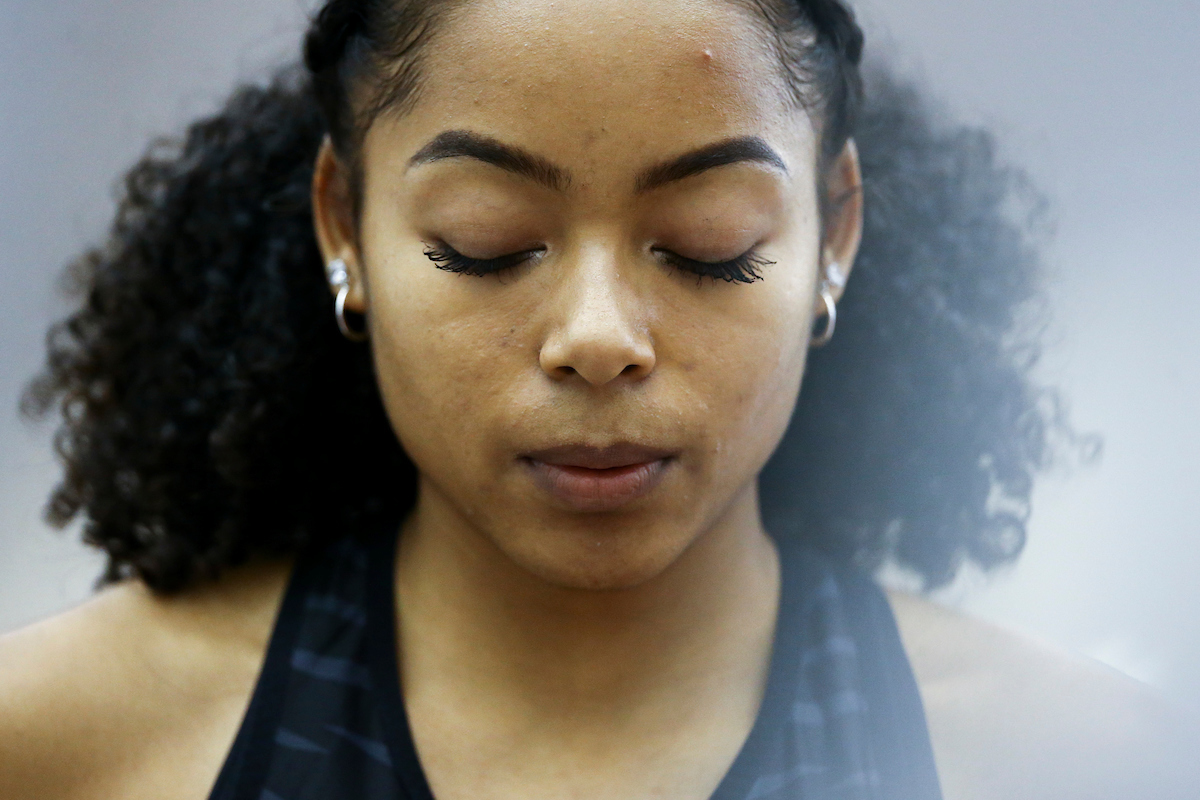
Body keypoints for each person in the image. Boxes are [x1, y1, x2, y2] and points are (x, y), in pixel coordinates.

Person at [0, 0, 1195, 798]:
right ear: (343, 226)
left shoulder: (1080, 763)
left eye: (708, 243)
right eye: (486, 241)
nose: (598, 338)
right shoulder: (61, 744)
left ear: (835, 232)